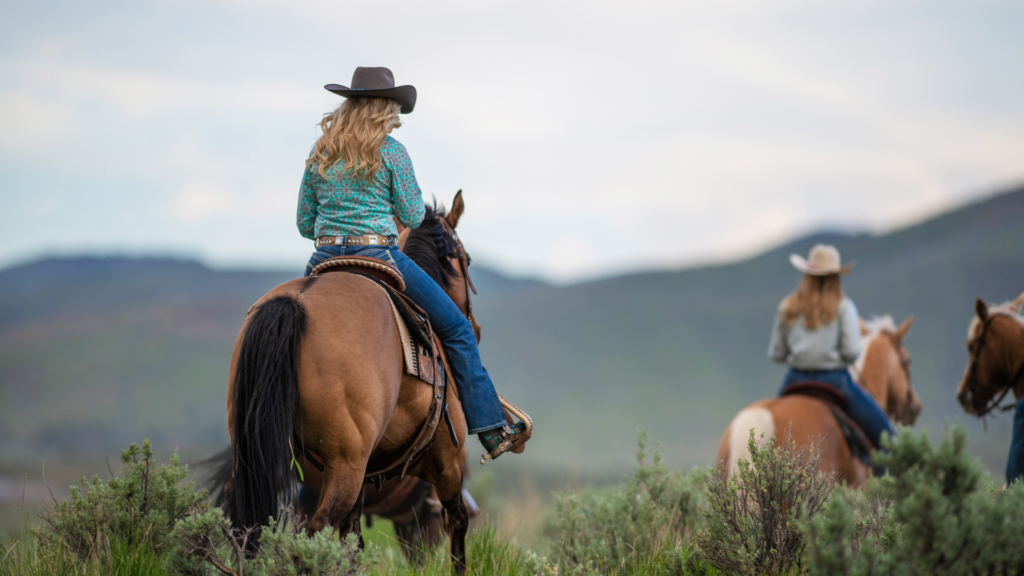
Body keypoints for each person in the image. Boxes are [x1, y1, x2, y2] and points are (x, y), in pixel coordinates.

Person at [295, 67, 525, 461]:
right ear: (385, 108)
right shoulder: (392, 152)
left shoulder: (321, 152)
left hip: (322, 261)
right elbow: (414, 214)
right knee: (456, 329)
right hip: (380, 257)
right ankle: (490, 428)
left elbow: (304, 223)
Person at [768, 244, 895, 458]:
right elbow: (852, 352)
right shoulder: (844, 307)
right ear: (836, 277)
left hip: (795, 379)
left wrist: (801, 353)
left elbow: (776, 353)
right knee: (888, 439)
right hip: (835, 381)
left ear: (806, 274)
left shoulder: (787, 306)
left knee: (769, 434)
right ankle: (881, 488)